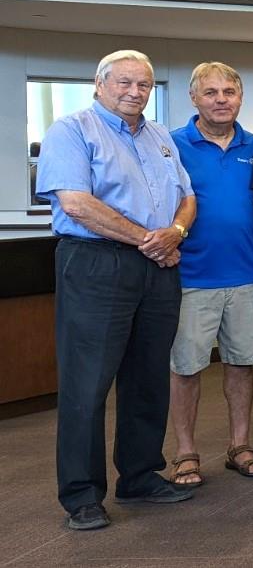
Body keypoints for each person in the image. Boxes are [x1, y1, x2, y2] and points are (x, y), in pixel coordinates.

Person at [37, 50, 197, 530]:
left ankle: (141, 476)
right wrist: (148, 239)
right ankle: (82, 496)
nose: (134, 92)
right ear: (100, 83)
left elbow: (186, 197)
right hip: (96, 264)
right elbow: (77, 203)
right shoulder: (72, 129)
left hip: (159, 266)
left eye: (143, 85)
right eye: (124, 82)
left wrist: (176, 233)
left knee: (148, 377)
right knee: (88, 383)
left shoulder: (159, 136)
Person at [167, 62, 253, 489]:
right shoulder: (171, 145)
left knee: (241, 364)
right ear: (194, 97)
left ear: (240, 97)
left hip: (247, 274)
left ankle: (240, 446)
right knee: (186, 367)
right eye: (210, 92)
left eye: (229, 91)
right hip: (191, 276)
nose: (221, 99)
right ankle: (186, 453)